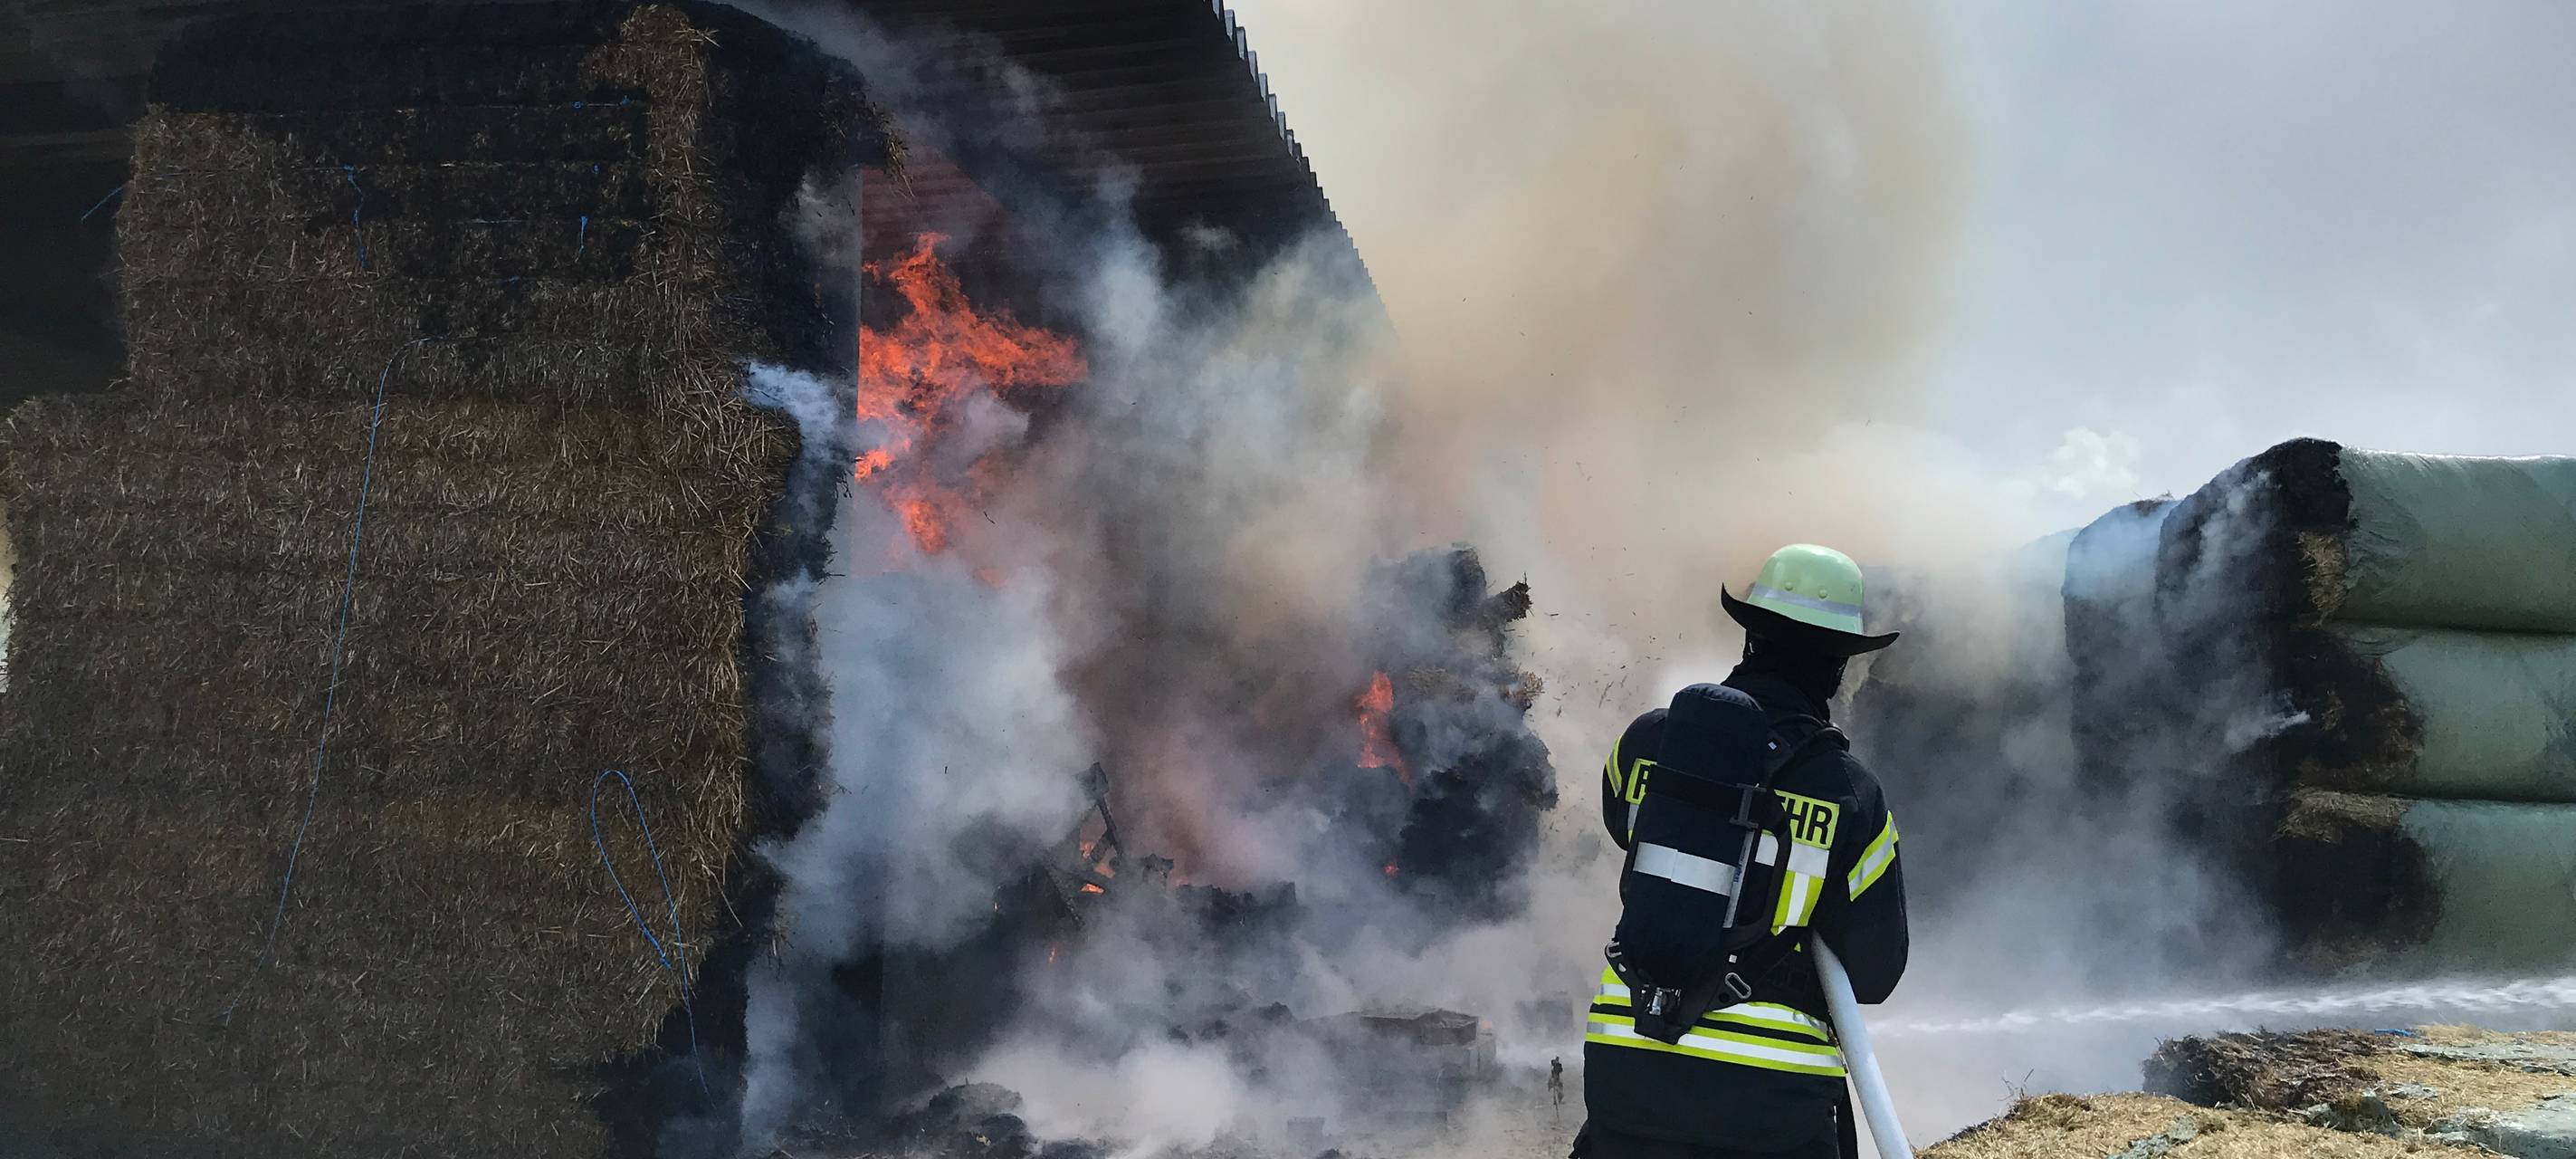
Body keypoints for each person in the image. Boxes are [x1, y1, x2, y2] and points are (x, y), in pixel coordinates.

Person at [1575, 544, 1910, 1159]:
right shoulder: (1851, 793)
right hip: (1768, 1104)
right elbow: (1877, 970)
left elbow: (1622, 821)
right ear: (1837, 667)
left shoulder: (1648, 741)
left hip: (1627, 1070)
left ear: (1751, 637)